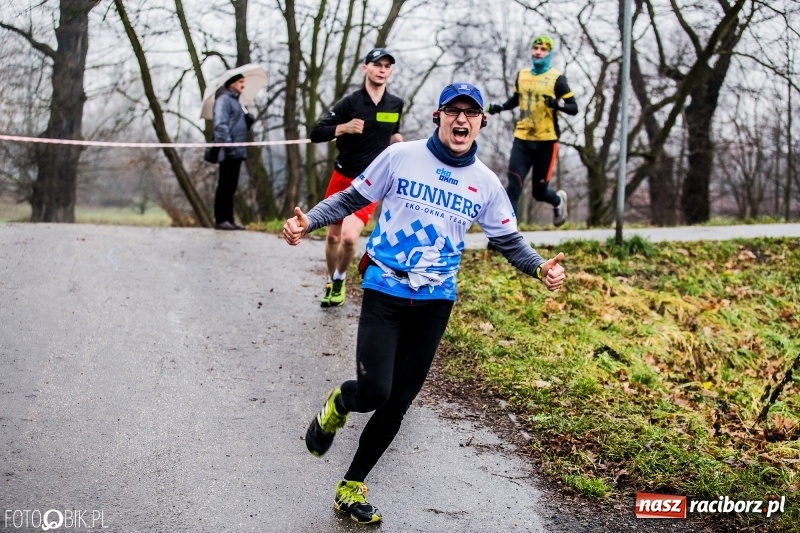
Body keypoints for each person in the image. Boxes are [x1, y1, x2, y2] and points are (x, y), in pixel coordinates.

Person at [283, 82, 566, 525]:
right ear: (438, 116)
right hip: (385, 288)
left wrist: (539, 268)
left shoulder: (485, 183)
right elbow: (352, 197)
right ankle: (341, 402)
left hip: (435, 300)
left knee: (398, 402)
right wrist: (311, 221)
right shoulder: (402, 157)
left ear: (481, 122)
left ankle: (351, 485)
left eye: (470, 113)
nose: (461, 119)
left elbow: (508, 240)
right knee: (374, 391)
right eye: (452, 111)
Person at [309, 47, 404, 307]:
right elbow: (316, 132)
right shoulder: (351, 103)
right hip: (342, 176)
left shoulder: (395, 104)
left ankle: (339, 279)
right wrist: (344, 127)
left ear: (390, 71)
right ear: (365, 68)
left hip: (370, 182)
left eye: (387, 66)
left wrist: (402, 147)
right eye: (377, 65)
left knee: (350, 238)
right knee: (333, 237)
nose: (382, 70)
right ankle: (330, 279)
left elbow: (393, 133)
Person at [487, 34, 579, 226]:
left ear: (549, 53)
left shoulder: (557, 79)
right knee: (513, 186)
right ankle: (508, 235)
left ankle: (557, 200)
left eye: (543, 49)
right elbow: (516, 99)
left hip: (546, 141)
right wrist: (501, 107)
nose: (538, 52)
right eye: (535, 48)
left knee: (539, 191)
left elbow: (573, 108)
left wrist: (557, 104)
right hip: (522, 138)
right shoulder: (523, 75)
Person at [212, 73, 253, 230]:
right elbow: (220, 124)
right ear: (232, 83)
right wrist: (227, 146)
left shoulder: (237, 102)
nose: (243, 84)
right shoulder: (224, 100)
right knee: (225, 184)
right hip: (229, 150)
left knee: (231, 186)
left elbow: (237, 125)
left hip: (238, 150)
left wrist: (248, 120)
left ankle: (229, 219)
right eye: (240, 81)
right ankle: (221, 219)